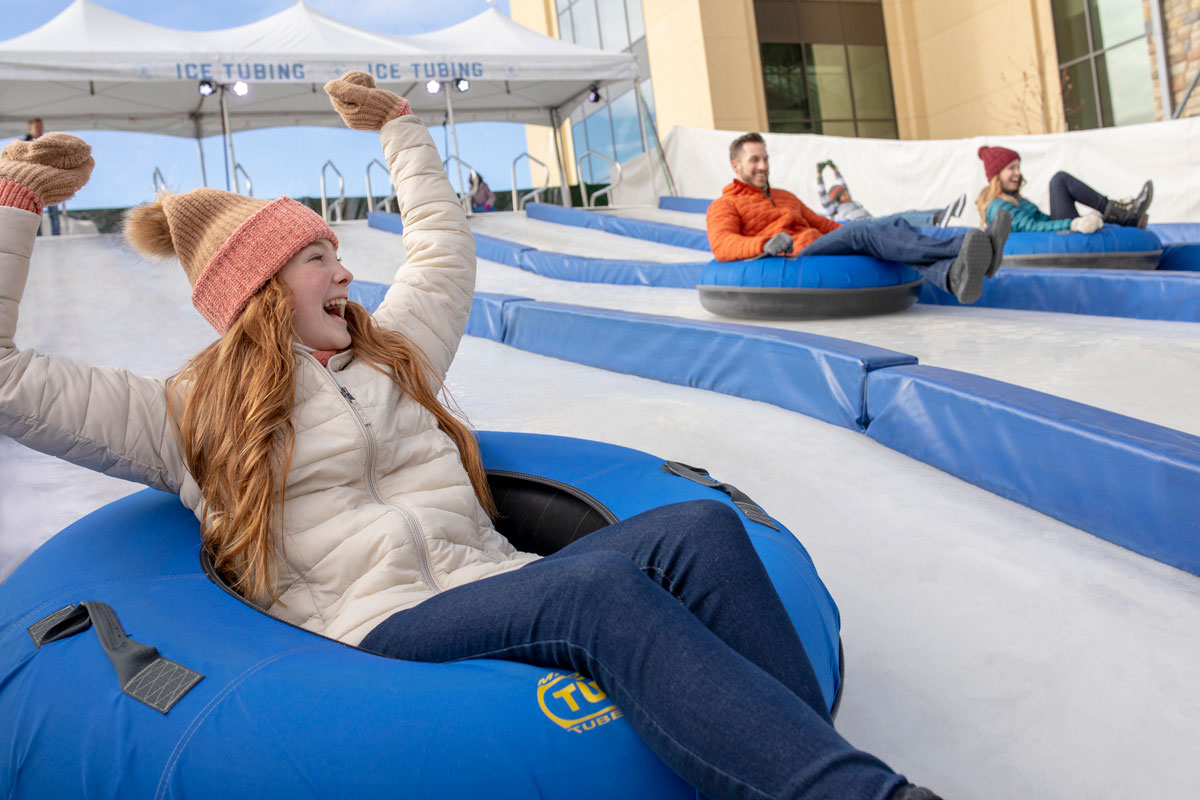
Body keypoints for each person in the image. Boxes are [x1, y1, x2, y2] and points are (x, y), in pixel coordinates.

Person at [0, 73, 942, 800]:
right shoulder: (182, 413)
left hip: (490, 583)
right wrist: (14, 203)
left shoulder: (390, 353)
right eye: (318, 258)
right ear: (257, 293)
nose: (346, 274)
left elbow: (443, 247)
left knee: (699, 530)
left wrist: (399, 130)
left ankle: (800, 767)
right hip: (373, 630)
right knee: (600, 590)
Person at [709, 133, 1011, 304]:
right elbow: (723, 244)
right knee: (864, 233)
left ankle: (953, 276)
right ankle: (972, 245)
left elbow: (826, 225)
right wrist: (766, 243)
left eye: (765, 158)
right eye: (754, 160)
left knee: (887, 229)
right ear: (736, 166)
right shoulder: (725, 205)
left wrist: (865, 231)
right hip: (795, 255)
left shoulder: (785, 195)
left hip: (819, 244)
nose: (763, 166)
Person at [976, 145, 1153, 233]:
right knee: (1059, 181)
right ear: (996, 175)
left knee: (1060, 181)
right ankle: (1121, 215)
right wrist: (1073, 224)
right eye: (1011, 168)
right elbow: (1031, 227)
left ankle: (1119, 216)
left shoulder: (1012, 200)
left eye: (1018, 167)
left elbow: (1043, 220)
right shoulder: (999, 206)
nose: (1017, 173)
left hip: (1050, 234)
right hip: (1046, 239)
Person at [816, 160, 966, 228]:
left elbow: (843, 184)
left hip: (871, 222)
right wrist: (819, 175)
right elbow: (823, 195)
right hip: (864, 228)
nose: (847, 196)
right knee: (900, 218)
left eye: (846, 194)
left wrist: (835, 169)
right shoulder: (834, 210)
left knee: (909, 212)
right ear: (836, 200)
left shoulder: (852, 203)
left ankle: (944, 212)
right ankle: (936, 219)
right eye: (843, 196)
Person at [22, 118, 60, 236]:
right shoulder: (24, 144)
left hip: (49, 180)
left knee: (54, 210)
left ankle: (57, 236)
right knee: (36, 211)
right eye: (36, 127)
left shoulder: (47, 142)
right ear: (30, 128)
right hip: (33, 181)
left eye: (40, 127)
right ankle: (37, 237)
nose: (39, 129)